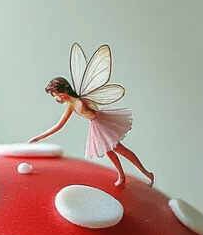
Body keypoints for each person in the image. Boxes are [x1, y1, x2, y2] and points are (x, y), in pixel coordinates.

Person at [29, 42, 154, 189]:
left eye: (56, 94)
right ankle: (122, 175)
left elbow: (93, 108)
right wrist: (39, 137)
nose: (56, 98)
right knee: (109, 151)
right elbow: (59, 125)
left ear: (64, 92)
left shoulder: (80, 101)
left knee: (120, 149)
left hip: (101, 123)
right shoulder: (71, 106)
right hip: (95, 126)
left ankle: (146, 173)